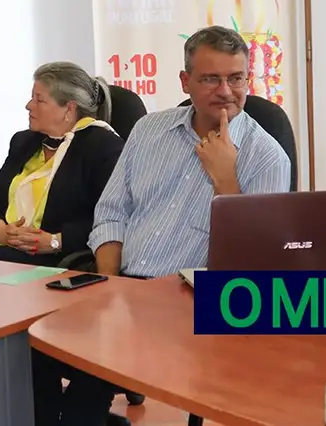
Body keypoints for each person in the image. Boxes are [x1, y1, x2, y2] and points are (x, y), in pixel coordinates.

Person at [42, 26, 291, 426]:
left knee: (81, 401)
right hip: (120, 285)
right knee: (33, 352)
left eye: (237, 78)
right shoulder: (148, 130)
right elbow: (111, 212)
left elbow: (255, 265)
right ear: (185, 82)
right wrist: (112, 286)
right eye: (211, 79)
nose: (226, 91)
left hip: (192, 305)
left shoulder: (267, 159)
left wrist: (226, 180)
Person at [0, 61, 124, 424]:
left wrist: (54, 241)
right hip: (8, 251)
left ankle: (27, 403)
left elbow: (110, 214)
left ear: (68, 109)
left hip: (59, 260)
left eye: (38, 99)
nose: (28, 106)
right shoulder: (25, 143)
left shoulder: (102, 146)